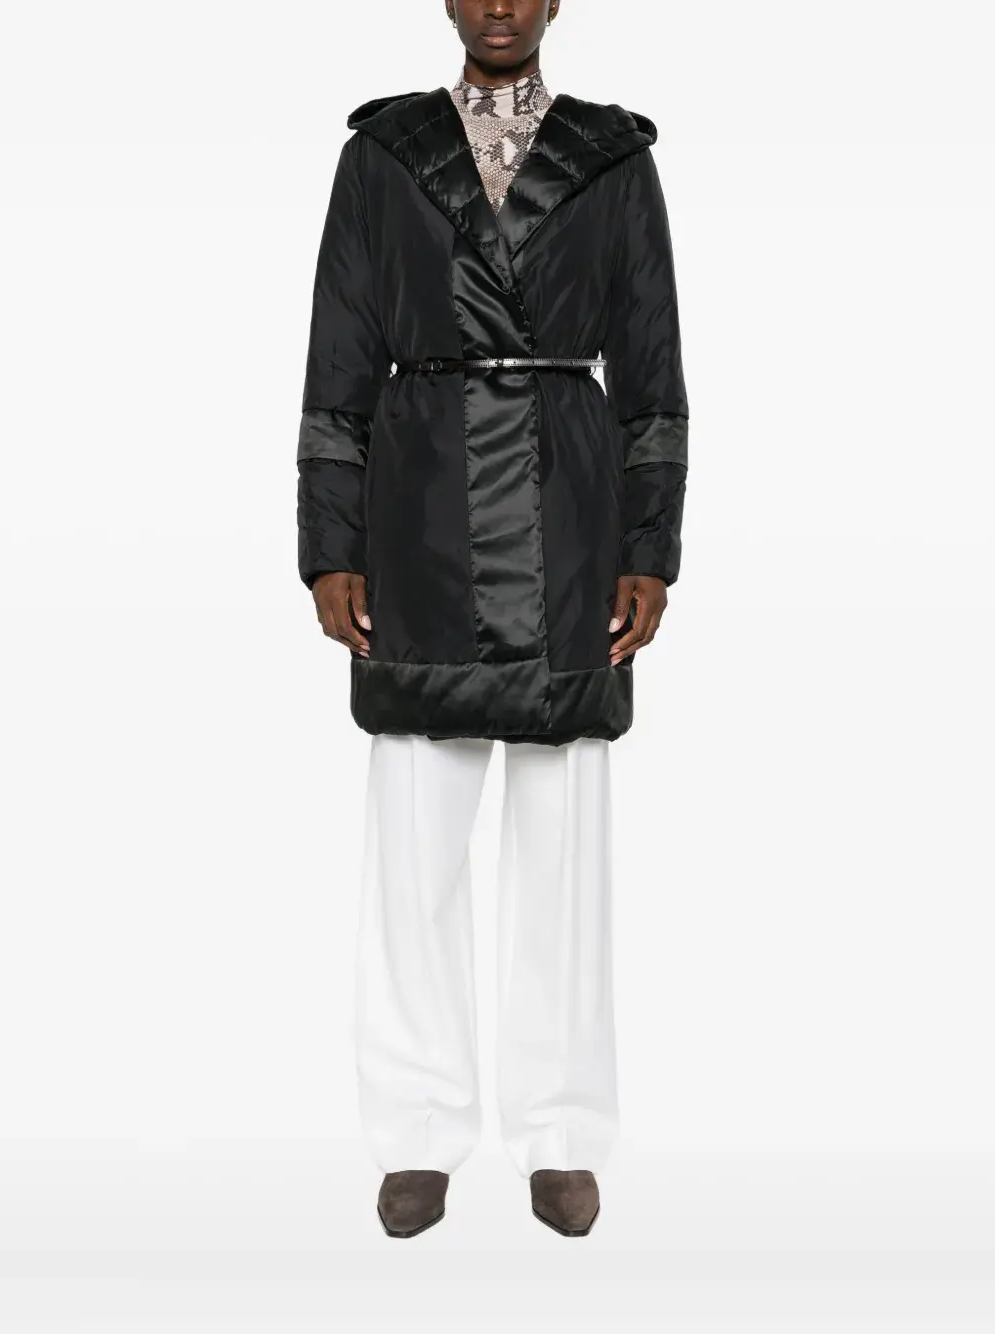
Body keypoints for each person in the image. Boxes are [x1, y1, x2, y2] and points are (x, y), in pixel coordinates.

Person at [295, 0, 689, 1238]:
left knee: (562, 848)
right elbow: (337, 360)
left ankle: (562, 1132)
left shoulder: (612, 157)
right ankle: (417, 1129)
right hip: (418, 509)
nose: (501, 5)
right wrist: (330, 546)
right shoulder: (383, 153)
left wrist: (649, 548)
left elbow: (653, 369)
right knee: (414, 846)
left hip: (569, 511)